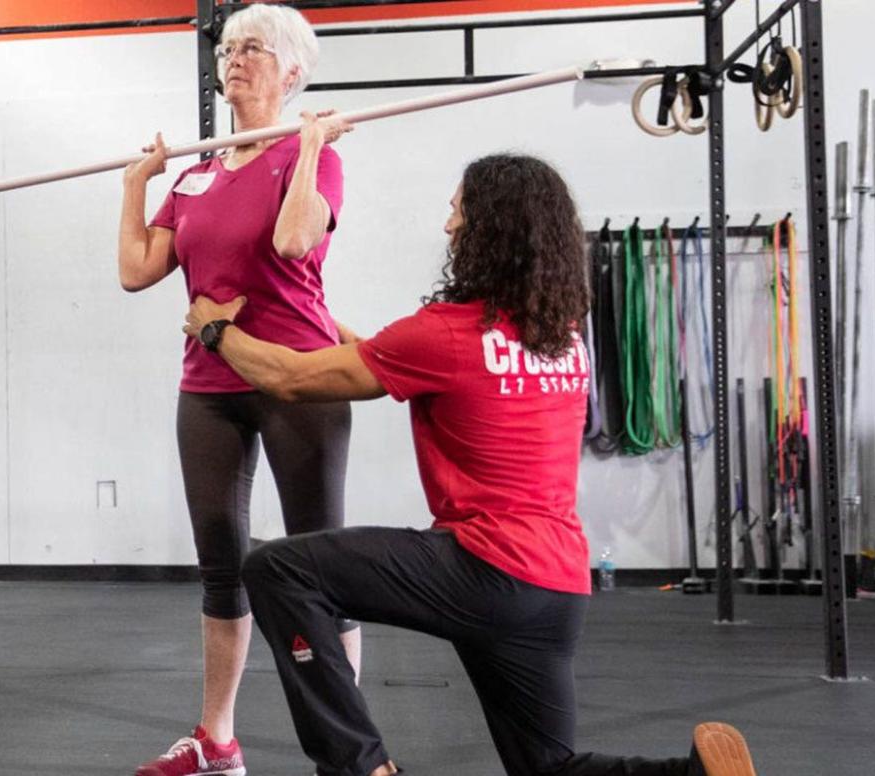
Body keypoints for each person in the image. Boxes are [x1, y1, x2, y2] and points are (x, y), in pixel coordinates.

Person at [181, 154, 758, 776]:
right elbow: (392, 354)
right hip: (558, 586)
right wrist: (314, 320)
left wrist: (215, 332)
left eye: (458, 211)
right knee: (548, 767)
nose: (449, 226)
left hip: (484, 567)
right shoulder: (560, 335)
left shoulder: (444, 335)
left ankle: (360, 766)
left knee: (279, 568)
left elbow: (290, 380)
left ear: (489, 229)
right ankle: (692, 775)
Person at [118, 5, 362, 775]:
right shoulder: (194, 171)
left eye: (255, 48)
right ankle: (217, 742)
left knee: (320, 562)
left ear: (293, 71)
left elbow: (293, 241)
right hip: (211, 383)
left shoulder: (313, 158)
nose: (236, 58)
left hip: (300, 377)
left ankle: (350, 747)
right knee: (222, 563)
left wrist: (311, 140)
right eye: (228, 48)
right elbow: (136, 270)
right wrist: (135, 183)